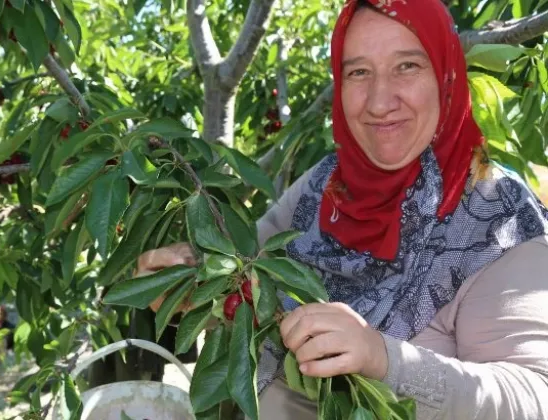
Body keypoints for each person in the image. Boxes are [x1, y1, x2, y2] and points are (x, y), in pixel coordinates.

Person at [135, 0, 548, 418]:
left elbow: (535, 397)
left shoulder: (499, 218)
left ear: (445, 74)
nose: (379, 101)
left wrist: (384, 359)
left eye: (407, 66)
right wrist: (193, 280)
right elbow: (248, 285)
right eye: (358, 72)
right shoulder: (326, 185)